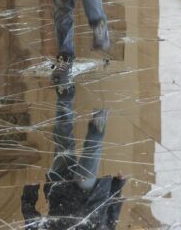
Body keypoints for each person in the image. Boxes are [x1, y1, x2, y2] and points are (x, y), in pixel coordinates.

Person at [21, 84, 127, 229]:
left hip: (61, 189)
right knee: (82, 151)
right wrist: (117, 186)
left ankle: (65, 95)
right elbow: (110, 222)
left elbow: (32, 224)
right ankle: (96, 125)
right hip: (85, 194)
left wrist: (30, 192)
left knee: (64, 141)